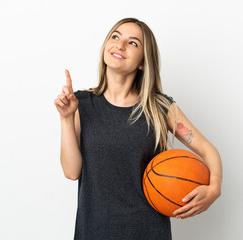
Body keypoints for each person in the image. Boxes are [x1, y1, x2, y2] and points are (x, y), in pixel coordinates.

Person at [54, 17, 222, 240]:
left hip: (148, 232)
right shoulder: (81, 104)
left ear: (143, 62)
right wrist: (66, 119)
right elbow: (72, 172)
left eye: (133, 43)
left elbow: (206, 148)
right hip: (94, 232)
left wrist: (214, 188)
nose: (120, 45)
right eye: (115, 37)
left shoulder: (159, 107)